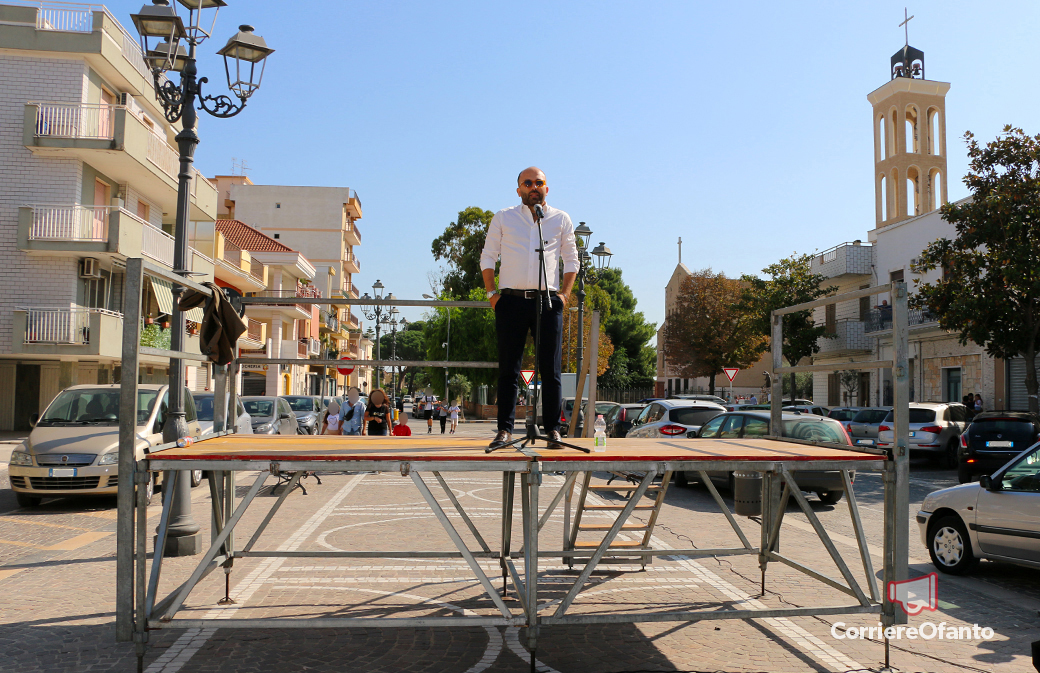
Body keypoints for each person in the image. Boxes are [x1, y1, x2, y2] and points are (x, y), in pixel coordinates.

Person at [481, 167, 578, 448]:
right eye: (528, 183)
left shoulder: (560, 219)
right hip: (510, 301)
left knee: (551, 370)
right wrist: (492, 295)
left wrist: (565, 296)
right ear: (518, 189)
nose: (533, 187)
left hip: (548, 301)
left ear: (547, 188)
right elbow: (488, 256)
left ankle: (552, 431)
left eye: (539, 183)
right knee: (508, 369)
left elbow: (572, 261)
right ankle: (505, 431)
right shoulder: (503, 217)